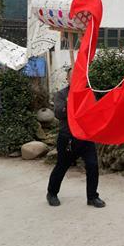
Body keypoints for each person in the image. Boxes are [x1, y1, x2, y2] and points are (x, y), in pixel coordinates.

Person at [46, 68, 105, 208]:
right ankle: (52, 193)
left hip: (85, 136)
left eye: (79, 76)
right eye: (73, 76)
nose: (76, 79)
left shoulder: (88, 93)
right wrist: (70, 102)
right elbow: (58, 114)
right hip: (68, 138)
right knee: (62, 166)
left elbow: (96, 111)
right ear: (67, 79)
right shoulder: (61, 94)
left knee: (92, 166)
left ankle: (92, 197)